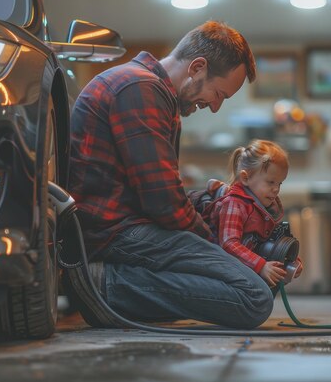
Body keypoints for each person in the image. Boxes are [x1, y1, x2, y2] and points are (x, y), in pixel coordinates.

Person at [67, 21, 273, 329]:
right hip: (113, 235)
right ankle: (105, 286)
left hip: (121, 230)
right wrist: (215, 243)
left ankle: (118, 291)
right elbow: (162, 201)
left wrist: (208, 201)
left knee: (245, 277)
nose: (215, 107)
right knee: (254, 296)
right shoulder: (139, 88)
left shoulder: (148, 90)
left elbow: (152, 192)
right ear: (197, 67)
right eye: (219, 94)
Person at [199, 139, 303, 288]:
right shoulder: (234, 203)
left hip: (243, 268)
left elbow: (274, 240)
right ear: (246, 178)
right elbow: (229, 243)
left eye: (280, 183)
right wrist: (261, 266)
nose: (276, 189)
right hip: (220, 271)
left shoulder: (266, 205)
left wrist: (292, 261)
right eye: (270, 182)